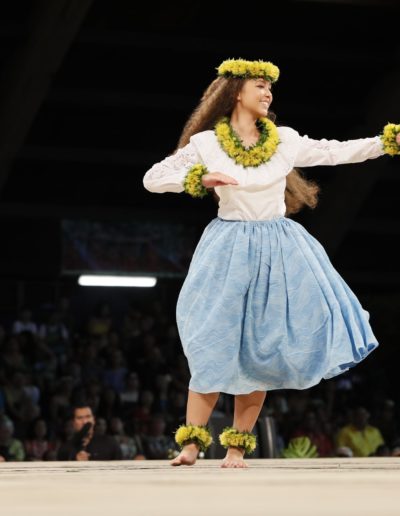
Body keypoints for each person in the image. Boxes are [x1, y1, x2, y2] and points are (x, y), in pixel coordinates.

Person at [142, 58, 400, 468]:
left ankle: (236, 448)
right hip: (227, 248)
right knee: (212, 341)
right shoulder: (207, 144)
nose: (268, 94)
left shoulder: (284, 140)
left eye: (270, 89)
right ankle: (191, 444)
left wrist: (385, 142)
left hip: (278, 249)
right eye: (260, 86)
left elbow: (335, 152)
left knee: (261, 349)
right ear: (236, 93)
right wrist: (197, 180)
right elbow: (153, 178)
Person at [57, 404, 122, 461]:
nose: (85, 422)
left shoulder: (110, 443)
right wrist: (75, 459)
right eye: (80, 418)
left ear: (93, 420)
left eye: (88, 417)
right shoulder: (66, 447)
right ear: (73, 423)